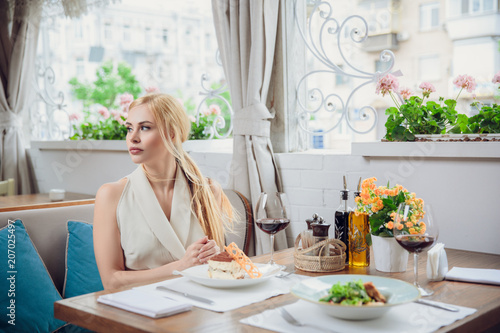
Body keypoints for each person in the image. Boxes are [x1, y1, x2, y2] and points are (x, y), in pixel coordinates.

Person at [93, 93, 233, 289]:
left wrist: (214, 257)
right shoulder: (111, 195)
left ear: (172, 133)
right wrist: (180, 267)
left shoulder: (208, 191)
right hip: (139, 309)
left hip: (199, 304)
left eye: (144, 128)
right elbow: (111, 281)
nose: (132, 138)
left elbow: (215, 269)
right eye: (129, 128)